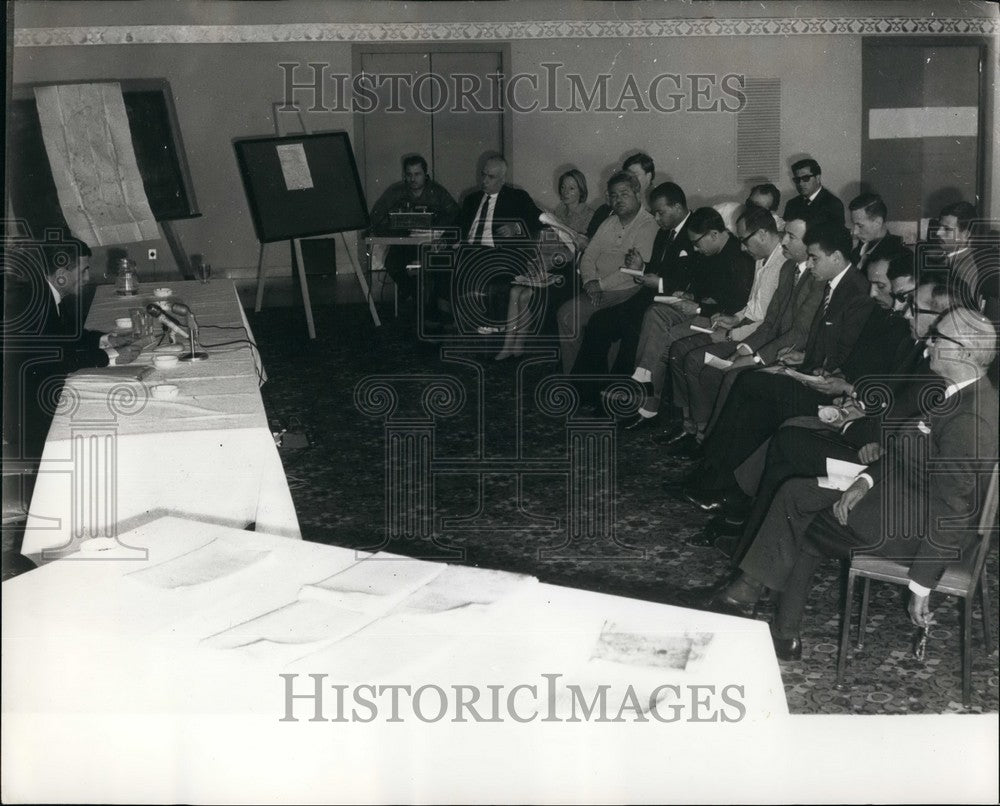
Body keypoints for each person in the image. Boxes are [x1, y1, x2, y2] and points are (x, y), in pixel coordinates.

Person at [689, 308, 998, 661]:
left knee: (802, 517)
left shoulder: (970, 418)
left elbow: (953, 511)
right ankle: (763, 613)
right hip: (901, 496)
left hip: (914, 528)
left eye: (938, 338)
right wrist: (864, 481)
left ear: (966, 353)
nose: (928, 344)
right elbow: (905, 450)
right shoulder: (960, 393)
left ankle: (767, 617)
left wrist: (922, 584)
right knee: (795, 493)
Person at [2, 231, 147, 462]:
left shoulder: (42, 292)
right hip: (28, 417)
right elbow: (59, 359)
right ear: (61, 275)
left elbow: (63, 338)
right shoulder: (33, 306)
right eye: (83, 271)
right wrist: (110, 357)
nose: (88, 277)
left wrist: (105, 339)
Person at [664, 205, 787, 452]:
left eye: (744, 240)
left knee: (696, 361)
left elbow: (766, 322)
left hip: (755, 336)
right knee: (678, 349)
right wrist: (733, 319)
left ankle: (704, 433)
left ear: (763, 234)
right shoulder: (762, 259)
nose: (741, 247)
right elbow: (752, 307)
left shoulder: (781, 264)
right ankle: (691, 425)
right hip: (743, 326)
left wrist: (731, 333)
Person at [623, 207, 755, 431]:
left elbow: (736, 305)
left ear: (714, 234)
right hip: (698, 307)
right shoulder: (709, 251)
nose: (695, 248)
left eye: (697, 243)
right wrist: (689, 294)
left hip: (718, 318)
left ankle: (658, 410)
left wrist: (698, 305)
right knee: (655, 313)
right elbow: (701, 282)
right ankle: (643, 375)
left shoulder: (740, 256)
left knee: (667, 341)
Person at [569, 181, 692, 405]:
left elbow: (691, 280)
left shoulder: (694, 230)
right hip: (650, 294)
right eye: (654, 213)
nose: (656, 218)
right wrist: (641, 268)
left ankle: (616, 395)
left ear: (676, 207)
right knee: (600, 321)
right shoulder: (666, 232)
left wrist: (660, 282)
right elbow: (654, 268)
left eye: (660, 212)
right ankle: (585, 390)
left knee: (631, 328)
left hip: (671, 301)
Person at [556, 171, 658, 373]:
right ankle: (574, 377)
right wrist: (589, 281)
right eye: (614, 195)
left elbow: (633, 271)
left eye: (624, 193)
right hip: (597, 288)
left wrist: (599, 285)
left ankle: (591, 379)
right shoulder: (608, 222)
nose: (618, 199)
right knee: (566, 315)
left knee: (580, 318)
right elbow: (589, 256)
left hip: (626, 290)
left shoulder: (648, 224)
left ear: (638, 194)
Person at [494, 169, 595, 360]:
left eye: (571, 188)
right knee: (516, 291)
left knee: (526, 295)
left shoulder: (589, 215)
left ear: (581, 191)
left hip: (572, 271)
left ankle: (518, 345)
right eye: (563, 187)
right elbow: (548, 243)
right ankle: (509, 346)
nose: (565, 192)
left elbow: (581, 252)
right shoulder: (558, 211)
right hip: (551, 265)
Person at [451, 156, 543, 329]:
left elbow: (539, 220)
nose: (484, 180)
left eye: (491, 177)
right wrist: (448, 241)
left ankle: (491, 330)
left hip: (500, 255)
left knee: (492, 282)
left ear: (503, 179)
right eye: (483, 174)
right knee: (436, 270)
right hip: (470, 253)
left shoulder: (517, 197)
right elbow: (457, 227)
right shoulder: (471, 199)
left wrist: (516, 227)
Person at [367, 154, 460, 303]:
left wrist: (436, 227)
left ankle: (429, 301)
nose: (413, 179)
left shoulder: (438, 192)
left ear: (425, 174)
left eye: (417, 174)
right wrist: (391, 230)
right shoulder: (396, 191)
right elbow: (377, 214)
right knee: (393, 262)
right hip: (405, 242)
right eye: (409, 174)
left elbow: (455, 215)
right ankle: (412, 294)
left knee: (435, 267)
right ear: (404, 175)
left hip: (430, 243)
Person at [847, 192, 904, 272]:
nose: (855, 232)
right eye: (854, 225)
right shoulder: (855, 253)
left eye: (860, 226)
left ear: (878, 223)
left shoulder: (898, 257)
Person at [782, 158, 845, 226]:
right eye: (797, 179)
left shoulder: (833, 204)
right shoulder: (791, 204)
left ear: (817, 178)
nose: (801, 183)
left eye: (806, 178)